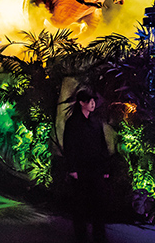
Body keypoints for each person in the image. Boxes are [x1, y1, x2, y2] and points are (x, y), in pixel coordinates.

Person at [63, 89, 112, 243]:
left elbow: (102, 145)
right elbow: (69, 146)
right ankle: (81, 236)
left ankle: (99, 236)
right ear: (81, 103)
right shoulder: (73, 123)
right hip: (81, 170)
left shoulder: (96, 122)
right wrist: (72, 169)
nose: (93, 103)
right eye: (89, 101)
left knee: (99, 204)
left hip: (96, 169)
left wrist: (105, 168)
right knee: (80, 205)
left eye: (93, 100)